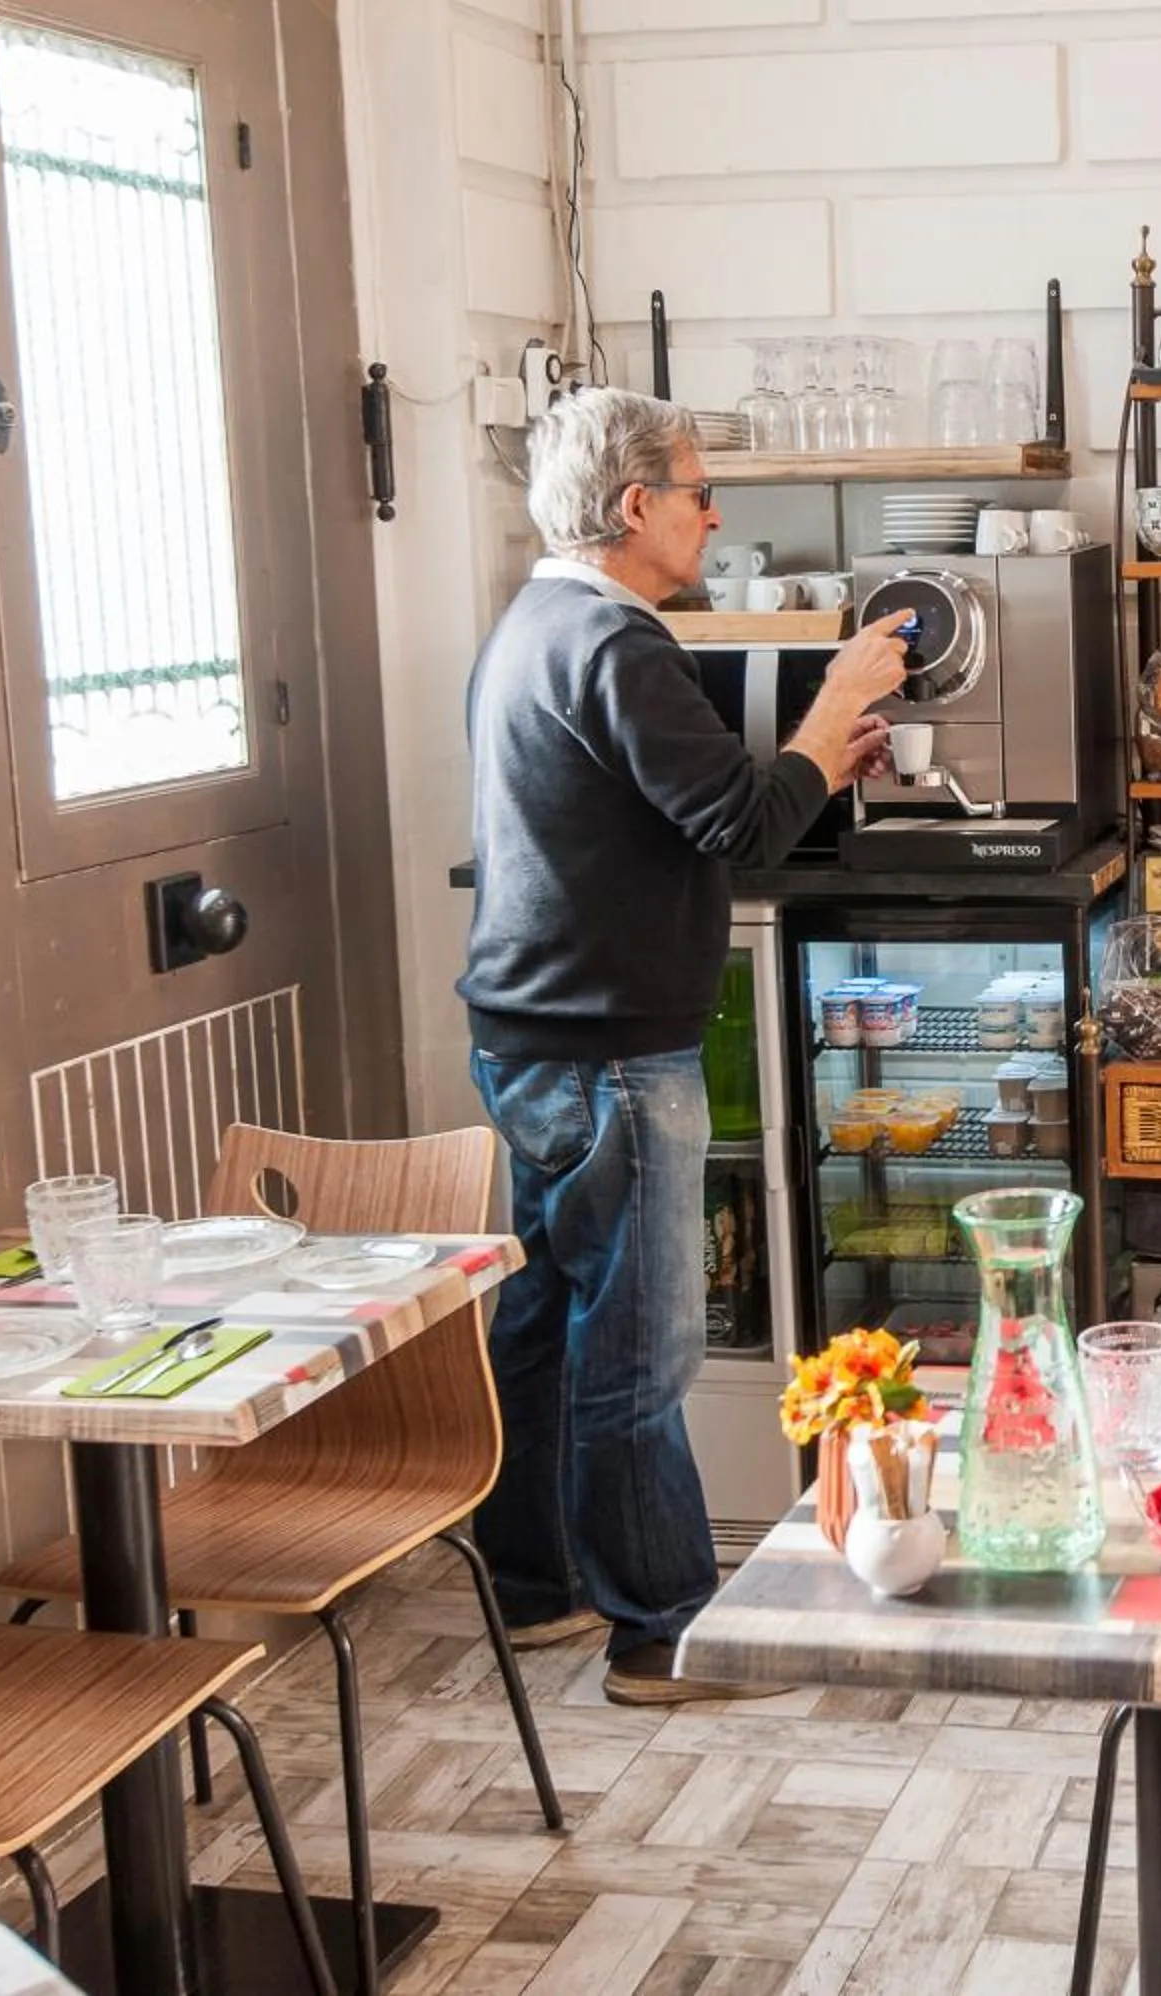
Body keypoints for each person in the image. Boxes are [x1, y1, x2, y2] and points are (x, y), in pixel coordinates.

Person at [458, 386, 908, 1703]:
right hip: (609, 1048)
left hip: (529, 1032)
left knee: (545, 1313)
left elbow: (687, 803)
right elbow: (740, 828)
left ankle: (532, 1581)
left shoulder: (534, 625)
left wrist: (820, 759)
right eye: (701, 490)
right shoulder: (620, 641)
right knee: (639, 1349)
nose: (717, 513)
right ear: (636, 504)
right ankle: (663, 1630)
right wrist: (830, 708)